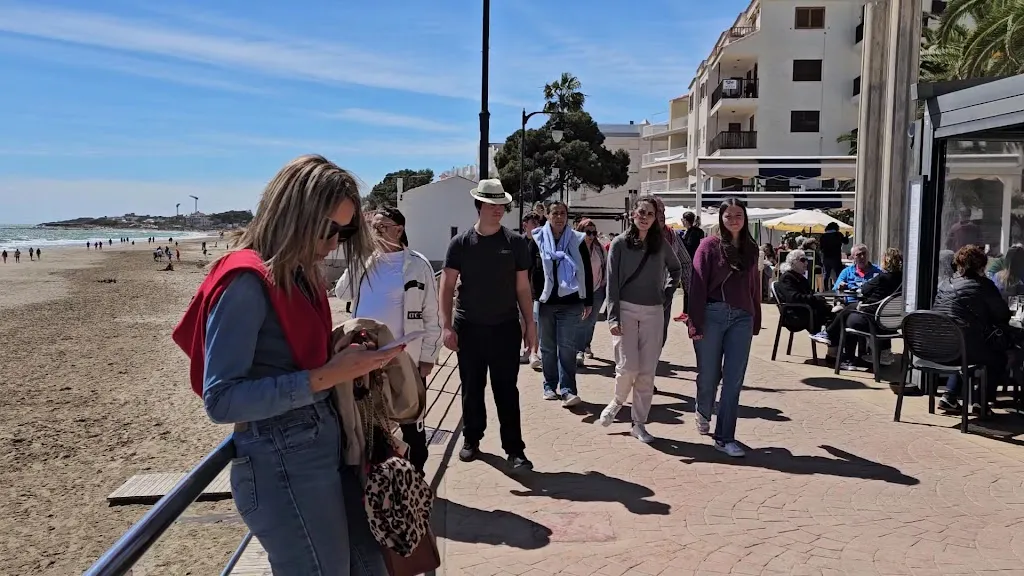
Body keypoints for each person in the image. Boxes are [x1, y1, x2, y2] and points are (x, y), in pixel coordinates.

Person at [171, 154, 400, 574]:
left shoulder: (296, 274)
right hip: (281, 464)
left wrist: (342, 355)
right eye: (331, 229)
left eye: (345, 232)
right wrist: (327, 375)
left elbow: (292, 360)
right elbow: (221, 400)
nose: (335, 243)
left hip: (317, 452)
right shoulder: (245, 280)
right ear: (296, 213)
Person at [335, 206, 441, 475]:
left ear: (399, 229)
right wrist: (357, 259)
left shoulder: (418, 265)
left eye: (381, 226)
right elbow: (342, 293)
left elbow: (432, 315)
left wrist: (428, 357)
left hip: (406, 358)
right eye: (373, 227)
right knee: (369, 422)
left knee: (410, 421)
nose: (376, 232)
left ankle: (416, 476)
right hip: (365, 359)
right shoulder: (366, 261)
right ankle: (379, 480)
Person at [439, 179, 535, 470]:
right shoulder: (461, 243)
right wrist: (446, 326)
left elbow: (523, 288)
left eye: (501, 205)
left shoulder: (515, 243)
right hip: (469, 327)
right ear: (479, 205)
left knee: (507, 389)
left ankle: (515, 450)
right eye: (492, 205)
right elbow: (446, 286)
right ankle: (472, 439)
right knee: (471, 387)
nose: (498, 210)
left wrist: (530, 324)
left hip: (505, 327)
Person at [598, 196, 682, 443]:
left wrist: (666, 295)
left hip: (653, 312)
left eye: (650, 214)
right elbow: (611, 283)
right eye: (641, 212)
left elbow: (676, 269)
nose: (645, 217)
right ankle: (617, 401)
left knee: (647, 371)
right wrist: (612, 318)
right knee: (628, 367)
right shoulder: (620, 243)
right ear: (633, 215)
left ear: (656, 218)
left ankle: (639, 423)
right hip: (625, 309)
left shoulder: (661, 243)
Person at [688, 198, 761, 457]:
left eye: (738, 215)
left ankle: (725, 437)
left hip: (742, 318)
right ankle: (703, 408)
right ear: (721, 219)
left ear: (745, 218)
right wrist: (694, 321)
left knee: (733, 380)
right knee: (708, 375)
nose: (733, 220)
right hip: (712, 314)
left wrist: (756, 317)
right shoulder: (708, 246)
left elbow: (754, 285)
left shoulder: (751, 249)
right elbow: (696, 283)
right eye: (728, 216)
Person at [933, 244, 1013, 413]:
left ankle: (949, 396)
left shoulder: (945, 284)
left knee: (963, 343)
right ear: (981, 266)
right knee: (998, 357)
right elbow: (1003, 314)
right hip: (962, 350)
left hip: (936, 349)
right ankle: (980, 403)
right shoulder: (984, 286)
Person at [530, 201, 593, 406]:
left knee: (567, 347)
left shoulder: (577, 239)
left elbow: (586, 270)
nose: (559, 217)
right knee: (548, 347)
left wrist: (588, 300)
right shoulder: (537, 239)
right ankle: (549, 385)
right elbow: (529, 269)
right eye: (555, 213)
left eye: (563, 213)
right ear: (547, 216)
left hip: (571, 302)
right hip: (545, 302)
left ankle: (568, 390)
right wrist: (531, 297)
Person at [812, 248, 903, 369]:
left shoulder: (881, 276)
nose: (861, 257)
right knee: (848, 308)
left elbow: (864, 290)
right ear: (853, 257)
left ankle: (847, 357)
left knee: (849, 317)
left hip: (872, 319)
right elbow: (837, 288)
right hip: (892, 322)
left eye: (864, 254)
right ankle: (881, 354)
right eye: (858, 255)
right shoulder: (904, 280)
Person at [651, 196, 691, 340]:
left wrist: (689, 289)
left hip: (664, 293)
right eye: (657, 210)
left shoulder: (672, 235)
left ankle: (652, 359)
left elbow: (685, 263)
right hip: (636, 296)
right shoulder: (636, 236)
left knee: (660, 333)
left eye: (663, 210)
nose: (662, 214)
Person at [774, 250, 833, 334]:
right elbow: (793, 298)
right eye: (802, 260)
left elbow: (811, 293)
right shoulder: (787, 278)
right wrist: (815, 299)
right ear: (793, 262)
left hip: (804, 311)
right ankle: (830, 339)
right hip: (795, 315)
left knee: (837, 314)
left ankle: (832, 340)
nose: (806, 263)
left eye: (806, 260)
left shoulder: (800, 277)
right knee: (835, 316)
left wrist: (820, 299)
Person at [575, 218, 607, 364]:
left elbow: (606, 265)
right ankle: (579, 350)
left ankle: (586, 344)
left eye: (594, 232)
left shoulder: (599, 248)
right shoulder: (574, 247)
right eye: (588, 232)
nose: (591, 236)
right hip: (580, 290)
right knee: (582, 320)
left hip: (597, 289)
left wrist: (605, 283)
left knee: (592, 321)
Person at [520, 212, 544, 367]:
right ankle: (526, 349)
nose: (536, 224)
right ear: (525, 225)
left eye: (537, 222)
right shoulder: (518, 242)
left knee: (534, 321)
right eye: (533, 222)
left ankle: (533, 352)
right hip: (521, 289)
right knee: (522, 321)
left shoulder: (542, 242)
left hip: (537, 290)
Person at [819, 222, 850, 288]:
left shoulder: (823, 236)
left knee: (826, 275)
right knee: (839, 274)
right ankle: (838, 287)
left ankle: (826, 289)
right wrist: (846, 236)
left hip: (826, 258)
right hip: (836, 257)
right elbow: (846, 242)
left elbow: (821, 248)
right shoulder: (838, 234)